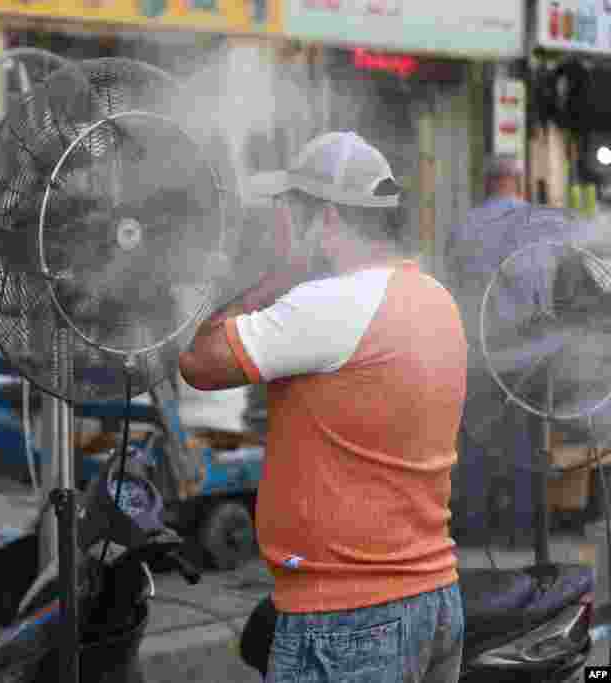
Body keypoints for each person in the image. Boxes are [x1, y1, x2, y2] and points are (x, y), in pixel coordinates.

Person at [178, 131, 467, 683]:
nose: (282, 227)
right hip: (433, 597)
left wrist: (277, 274)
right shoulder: (436, 299)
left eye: (292, 214)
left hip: (349, 619)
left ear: (328, 221)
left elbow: (199, 361)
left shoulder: (331, 305)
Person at [443, 154, 537, 547]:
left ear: (487, 183)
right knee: (522, 443)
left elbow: (451, 279)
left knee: (476, 440)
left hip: (476, 351)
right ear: (519, 180)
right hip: (524, 355)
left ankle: (472, 526)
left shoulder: (465, 226)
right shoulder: (535, 224)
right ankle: (519, 530)